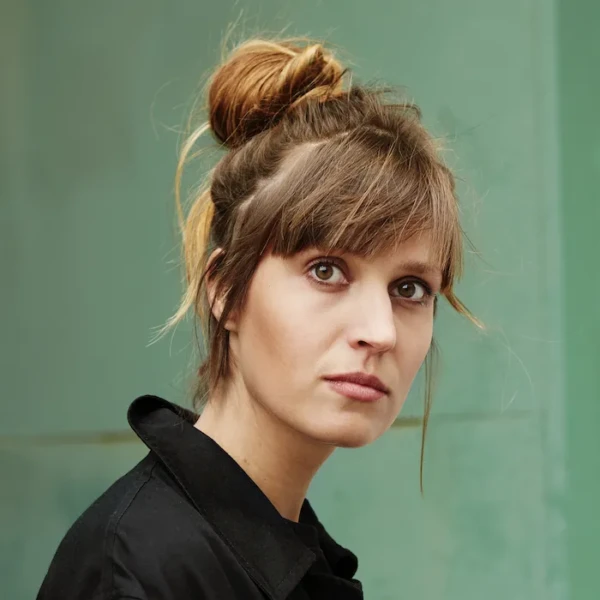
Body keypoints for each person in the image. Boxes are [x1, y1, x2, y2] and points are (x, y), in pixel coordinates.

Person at [37, 37, 477, 600]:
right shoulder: (139, 570)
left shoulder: (286, 560)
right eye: (326, 270)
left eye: (409, 289)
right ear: (225, 289)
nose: (381, 331)